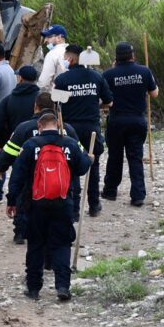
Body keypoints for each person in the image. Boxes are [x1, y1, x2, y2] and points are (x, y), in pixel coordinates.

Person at [6, 112, 94, 301]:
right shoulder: (69, 143)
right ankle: (62, 286)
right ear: (58, 125)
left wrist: (12, 200)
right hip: (63, 202)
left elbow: (17, 176)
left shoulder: (30, 145)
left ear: (39, 126)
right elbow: (82, 168)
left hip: (35, 203)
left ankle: (33, 288)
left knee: (36, 244)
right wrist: (90, 158)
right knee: (61, 244)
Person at [0, 92, 79, 244]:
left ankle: (21, 232)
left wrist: (1, 168)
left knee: (24, 199)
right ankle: (64, 229)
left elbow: (9, 152)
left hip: (31, 178)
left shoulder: (24, 128)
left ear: (35, 107)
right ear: (54, 107)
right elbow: (80, 156)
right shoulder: (67, 130)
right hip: (62, 181)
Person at [54, 44, 113, 219]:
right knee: (93, 166)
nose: (64, 61)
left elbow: (57, 104)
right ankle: (94, 205)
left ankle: (74, 210)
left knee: (71, 168)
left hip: (71, 129)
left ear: (71, 58)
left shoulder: (63, 79)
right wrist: (94, 103)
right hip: (91, 128)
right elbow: (109, 102)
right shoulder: (97, 77)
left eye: (65, 57)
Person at [101, 41, 159, 207]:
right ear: (133, 56)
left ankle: (110, 191)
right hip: (137, 120)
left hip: (117, 120)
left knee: (115, 157)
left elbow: (105, 101)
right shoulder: (143, 71)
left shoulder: (108, 74)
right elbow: (154, 94)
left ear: (116, 57)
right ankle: (138, 195)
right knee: (135, 157)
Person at [0, 63, 38, 203]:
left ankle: (3, 197)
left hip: (15, 144)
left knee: (16, 173)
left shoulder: (8, 100)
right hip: (39, 143)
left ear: (20, 78)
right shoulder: (40, 98)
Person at [37, 24, 69, 91]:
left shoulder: (53, 54)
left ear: (59, 38)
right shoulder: (76, 54)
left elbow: (43, 83)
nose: (45, 41)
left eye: (48, 37)